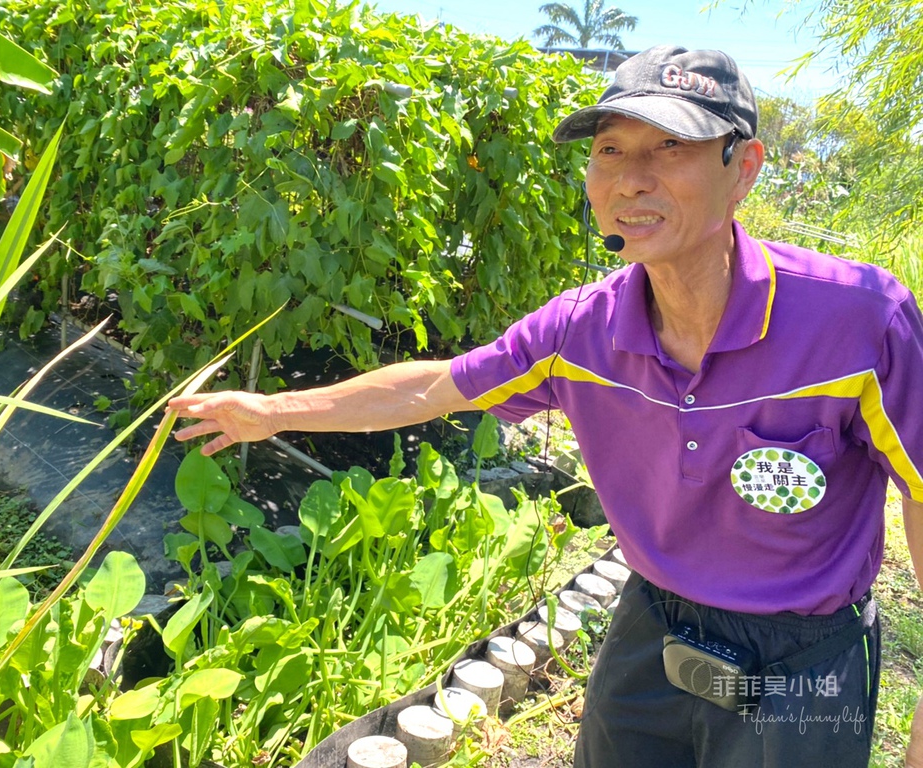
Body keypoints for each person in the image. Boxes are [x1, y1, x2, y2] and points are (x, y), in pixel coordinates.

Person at [169, 45, 923, 768]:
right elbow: (435, 386)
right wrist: (272, 412)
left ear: (744, 167)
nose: (631, 179)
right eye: (611, 151)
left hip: (802, 656)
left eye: (671, 148)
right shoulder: (579, 330)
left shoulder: (857, 321)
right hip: (652, 624)